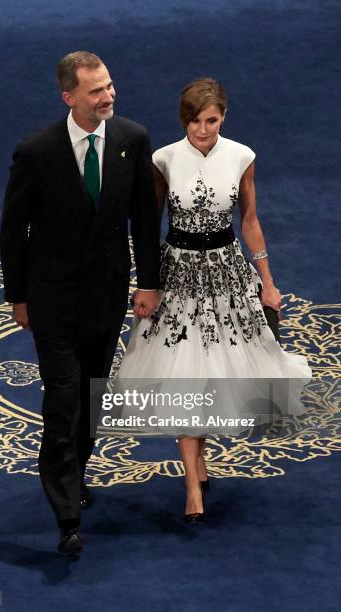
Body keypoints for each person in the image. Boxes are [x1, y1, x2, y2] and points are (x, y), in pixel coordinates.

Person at [115, 78, 312, 523]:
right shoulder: (163, 159)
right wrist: (147, 282)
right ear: (183, 119)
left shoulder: (242, 156)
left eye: (210, 121)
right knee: (183, 373)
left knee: (213, 371)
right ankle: (191, 482)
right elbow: (149, 226)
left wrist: (267, 281)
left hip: (226, 274)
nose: (201, 130)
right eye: (193, 121)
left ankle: (198, 465)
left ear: (224, 118)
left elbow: (250, 220)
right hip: (178, 277)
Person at [0, 51, 160, 555]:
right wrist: (18, 295)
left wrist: (149, 283)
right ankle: (66, 512)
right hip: (53, 299)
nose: (108, 96)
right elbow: (13, 230)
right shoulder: (37, 151)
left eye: (110, 86)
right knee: (64, 399)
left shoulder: (132, 141)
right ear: (69, 96)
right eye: (96, 90)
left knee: (91, 397)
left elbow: (144, 220)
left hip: (107, 294)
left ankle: (74, 473)